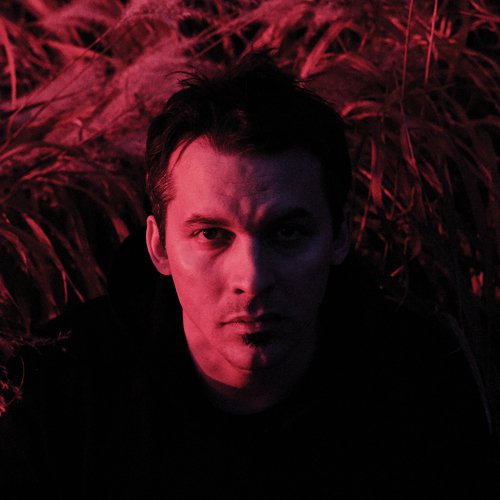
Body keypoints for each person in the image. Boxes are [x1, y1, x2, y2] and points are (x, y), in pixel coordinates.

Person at [1, 51, 499, 499]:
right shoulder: (59, 386)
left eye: (287, 233)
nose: (253, 279)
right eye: (211, 234)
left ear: (339, 236)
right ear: (158, 246)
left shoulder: (421, 383)